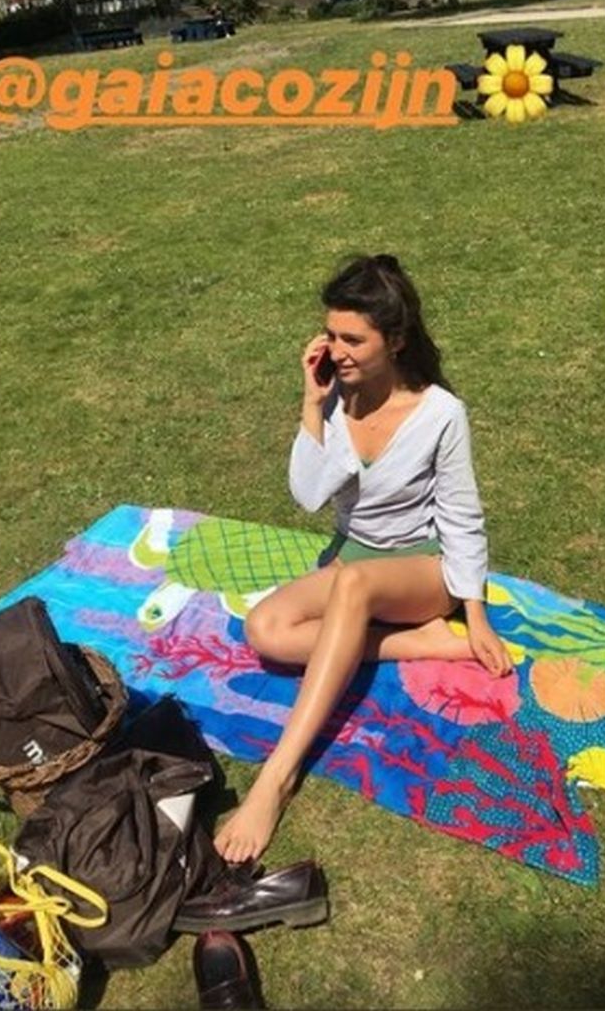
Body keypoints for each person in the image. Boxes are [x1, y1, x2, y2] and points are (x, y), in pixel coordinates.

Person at [213, 253, 513, 864]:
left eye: (354, 339)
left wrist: (476, 616)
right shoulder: (335, 399)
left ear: (395, 340)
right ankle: (418, 643)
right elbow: (307, 493)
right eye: (332, 335)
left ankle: (277, 776)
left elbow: (461, 516)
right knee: (264, 628)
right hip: (356, 559)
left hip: (422, 570)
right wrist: (311, 404)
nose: (337, 351)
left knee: (351, 587)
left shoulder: (440, 414)